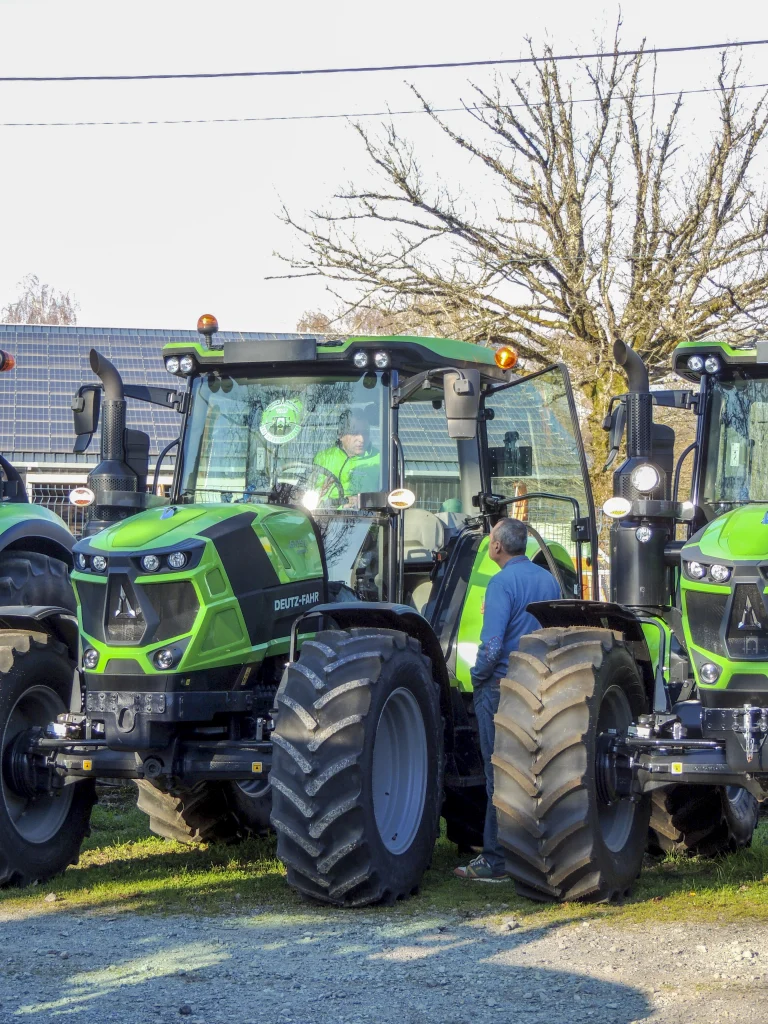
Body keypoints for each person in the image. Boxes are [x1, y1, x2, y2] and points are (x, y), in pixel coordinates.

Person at [454, 517, 560, 882]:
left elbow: (493, 645)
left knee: (496, 773)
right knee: (531, 770)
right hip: (538, 685)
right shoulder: (548, 580)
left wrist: (477, 676)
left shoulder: (500, 583)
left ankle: (495, 860)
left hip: (500, 687)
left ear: (497, 546)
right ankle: (532, 852)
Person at [313, 410, 381, 501]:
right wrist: (339, 504)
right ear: (341, 435)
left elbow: (389, 497)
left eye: (365, 432)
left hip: (366, 510)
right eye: (354, 433)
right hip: (328, 509)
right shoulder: (324, 458)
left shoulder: (381, 459)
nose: (361, 439)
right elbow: (312, 496)